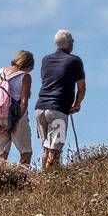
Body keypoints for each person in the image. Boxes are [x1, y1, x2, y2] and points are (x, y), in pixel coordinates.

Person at [35, 29, 85, 170]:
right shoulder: (75, 61)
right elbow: (81, 87)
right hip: (58, 109)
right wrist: (76, 104)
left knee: (45, 147)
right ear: (70, 44)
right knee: (55, 149)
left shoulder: (45, 60)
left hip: (40, 108)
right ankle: (53, 179)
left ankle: (44, 178)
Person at [0, 50, 35, 166]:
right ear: (28, 64)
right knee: (26, 151)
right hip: (15, 115)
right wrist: (14, 121)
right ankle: (23, 179)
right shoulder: (25, 77)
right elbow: (23, 103)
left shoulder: (0, 72)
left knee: (0, 154)